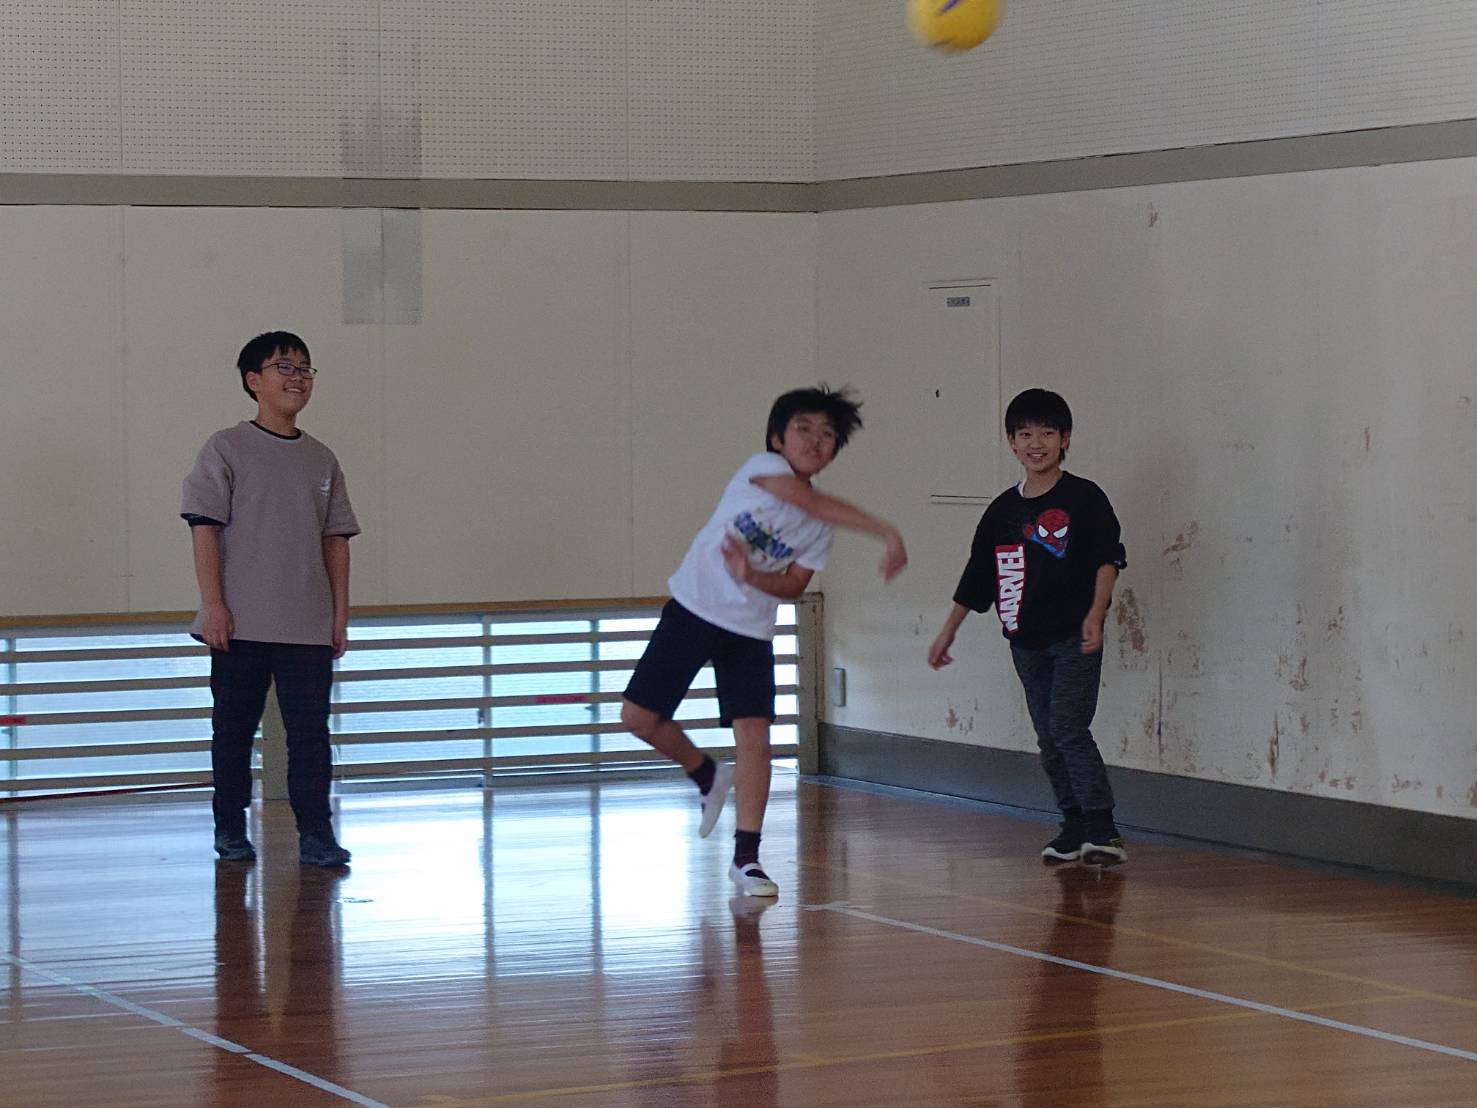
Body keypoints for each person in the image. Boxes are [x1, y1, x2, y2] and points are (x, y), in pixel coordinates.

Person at [621, 387, 907, 898]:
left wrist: (752, 575)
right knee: (638, 718)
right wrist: (884, 530)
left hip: (750, 630)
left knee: (755, 738)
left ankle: (747, 858)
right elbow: (804, 498)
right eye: (804, 429)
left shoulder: (820, 527)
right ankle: (705, 773)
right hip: (693, 608)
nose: (815, 441)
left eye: (828, 435)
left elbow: (794, 584)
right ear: (777, 439)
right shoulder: (761, 468)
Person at [927, 388, 1128, 865]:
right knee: (1048, 735)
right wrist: (949, 630)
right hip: (1025, 640)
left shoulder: (1084, 498)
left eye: (1047, 434)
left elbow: (1107, 559)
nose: (1036, 444)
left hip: (1074, 636)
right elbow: (978, 575)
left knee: (1068, 726)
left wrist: (1096, 613)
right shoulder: (1003, 511)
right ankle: (1072, 823)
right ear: (1011, 442)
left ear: (1065, 439)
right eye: (1025, 435)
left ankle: (1102, 826)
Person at [181, 331, 359, 867]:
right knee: (233, 732)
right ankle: (230, 828)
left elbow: (336, 540)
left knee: (310, 736)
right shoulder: (225, 447)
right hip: (240, 623)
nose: (297, 377)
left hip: (306, 624)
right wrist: (213, 605)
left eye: (305, 368)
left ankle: (317, 835)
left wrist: (339, 615)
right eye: (284, 366)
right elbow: (205, 529)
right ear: (253, 381)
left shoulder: (321, 458)